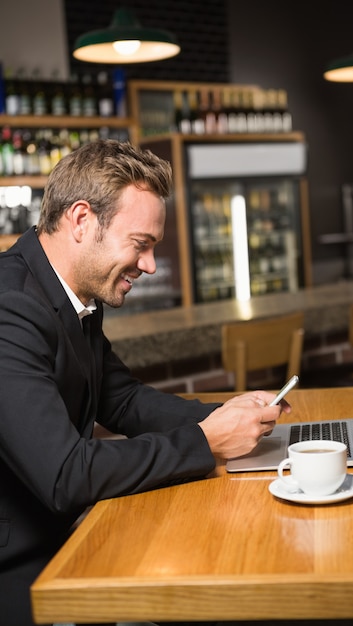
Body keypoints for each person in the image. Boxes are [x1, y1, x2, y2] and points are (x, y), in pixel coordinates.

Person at [0, 139, 290, 626]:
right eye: (141, 244)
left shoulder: (67, 291)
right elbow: (65, 475)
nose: (150, 265)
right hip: (19, 563)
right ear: (81, 220)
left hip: (65, 534)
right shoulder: (11, 306)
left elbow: (123, 399)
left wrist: (226, 415)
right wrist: (205, 441)